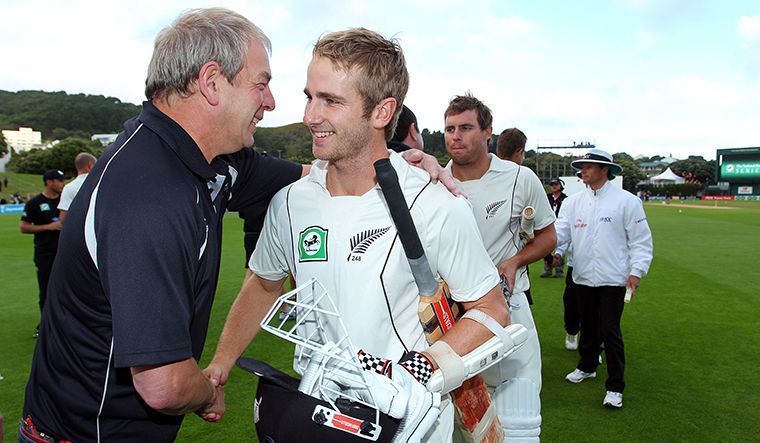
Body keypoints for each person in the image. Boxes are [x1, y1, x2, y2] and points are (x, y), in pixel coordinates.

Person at [205, 29, 509, 442]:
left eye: (330, 100)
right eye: (310, 96)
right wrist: (222, 363)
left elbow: (491, 311)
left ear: (382, 112)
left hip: (407, 423)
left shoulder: (433, 204)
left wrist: (417, 371)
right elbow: (263, 282)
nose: (311, 115)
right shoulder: (291, 202)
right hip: (315, 411)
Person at [20, 9, 305, 442]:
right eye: (261, 84)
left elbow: (311, 174)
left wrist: (400, 165)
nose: (270, 102)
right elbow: (164, 385)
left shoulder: (209, 160)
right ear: (211, 82)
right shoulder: (149, 194)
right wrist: (209, 395)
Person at [443, 94, 556, 441]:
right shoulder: (432, 182)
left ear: (487, 131)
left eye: (465, 127)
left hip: (511, 304)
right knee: (459, 417)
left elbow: (548, 236)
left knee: (518, 412)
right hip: (453, 314)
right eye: (449, 129)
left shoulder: (520, 178)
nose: (455, 136)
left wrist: (515, 260)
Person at [554, 149, 653, 409]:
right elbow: (560, 233)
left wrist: (637, 270)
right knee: (587, 325)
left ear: (604, 170)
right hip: (583, 276)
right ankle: (587, 366)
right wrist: (555, 252)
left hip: (614, 279)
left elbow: (641, 241)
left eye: (589, 166)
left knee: (610, 330)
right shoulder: (572, 202)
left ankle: (615, 387)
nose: (583, 171)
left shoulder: (627, 201)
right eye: (582, 166)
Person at [19, 169, 66, 337]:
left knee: (66, 289)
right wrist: (48, 227)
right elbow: (23, 227)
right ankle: (45, 325)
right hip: (45, 253)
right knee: (45, 289)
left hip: (64, 253)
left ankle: (65, 324)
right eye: (59, 181)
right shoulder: (34, 203)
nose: (62, 184)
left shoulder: (64, 200)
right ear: (49, 182)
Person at [57, 152, 96, 223]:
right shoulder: (102, 182)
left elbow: (63, 218)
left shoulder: (69, 188)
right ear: (90, 165)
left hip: (80, 228)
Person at [541, 178, 567, 278]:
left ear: (560, 185)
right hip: (549, 224)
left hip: (560, 224)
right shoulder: (547, 198)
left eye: (556, 184)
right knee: (547, 246)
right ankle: (548, 269)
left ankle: (559, 270)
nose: (554, 186)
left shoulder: (565, 199)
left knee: (560, 246)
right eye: (552, 184)